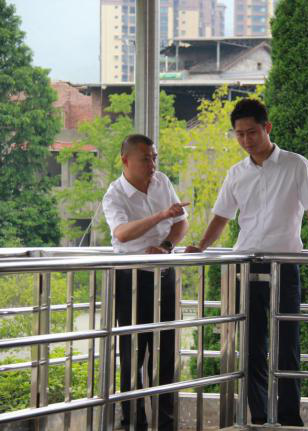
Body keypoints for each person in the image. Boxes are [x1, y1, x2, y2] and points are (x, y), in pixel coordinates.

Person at [185, 98, 308, 426]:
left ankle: (290, 417)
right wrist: (202, 246)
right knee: (251, 344)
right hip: (247, 264)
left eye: (252, 132)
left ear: (267, 128)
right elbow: (222, 215)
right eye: (239, 134)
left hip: (285, 263)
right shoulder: (236, 173)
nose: (246, 140)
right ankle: (260, 414)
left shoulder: (295, 164)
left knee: (287, 342)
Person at [102, 134, 189, 431]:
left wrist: (166, 245)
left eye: (154, 158)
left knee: (166, 354)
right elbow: (122, 233)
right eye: (145, 159)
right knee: (133, 355)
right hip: (131, 277)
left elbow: (181, 222)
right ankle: (133, 422)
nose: (152, 165)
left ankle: (166, 423)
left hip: (164, 273)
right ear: (126, 160)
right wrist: (161, 215)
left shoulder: (162, 181)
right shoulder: (114, 194)